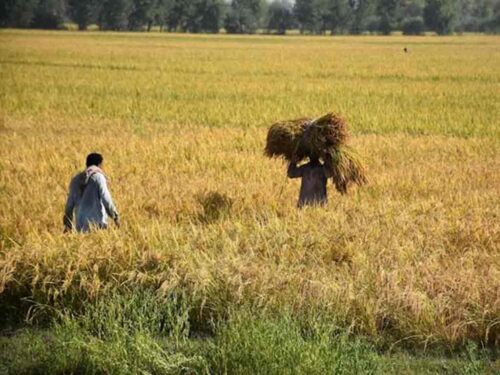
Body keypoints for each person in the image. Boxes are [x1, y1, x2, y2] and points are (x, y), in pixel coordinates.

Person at [64, 153, 119, 233]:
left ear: (87, 164)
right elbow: (106, 198)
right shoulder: (98, 177)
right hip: (98, 224)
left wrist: (67, 225)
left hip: (80, 225)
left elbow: (69, 205)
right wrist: (115, 216)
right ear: (99, 164)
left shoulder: (76, 179)